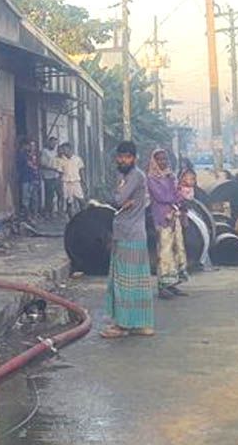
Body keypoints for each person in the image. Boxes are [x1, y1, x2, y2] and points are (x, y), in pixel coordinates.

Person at [101, 141, 155, 339]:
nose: (122, 160)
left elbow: (117, 199)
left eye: (127, 157)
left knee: (124, 283)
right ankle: (141, 324)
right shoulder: (128, 176)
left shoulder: (134, 176)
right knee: (137, 282)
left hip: (128, 236)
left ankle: (122, 325)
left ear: (134, 158)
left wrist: (120, 196)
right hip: (131, 234)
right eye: (120, 156)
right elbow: (122, 200)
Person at [147, 149, 189, 298]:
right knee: (164, 251)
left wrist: (180, 199)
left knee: (177, 248)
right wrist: (176, 198)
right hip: (162, 217)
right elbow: (162, 196)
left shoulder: (170, 176)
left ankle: (174, 283)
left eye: (165, 159)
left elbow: (179, 193)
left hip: (174, 216)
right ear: (154, 161)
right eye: (159, 159)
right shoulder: (152, 179)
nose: (163, 162)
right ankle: (163, 285)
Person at [59, 142, 85, 217]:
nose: (64, 151)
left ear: (70, 149)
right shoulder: (61, 160)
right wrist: (60, 185)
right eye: (63, 149)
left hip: (76, 182)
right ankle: (71, 219)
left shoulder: (77, 159)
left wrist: (83, 181)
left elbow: (81, 170)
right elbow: (60, 173)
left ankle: (84, 216)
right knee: (68, 202)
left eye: (65, 149)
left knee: (81, 200)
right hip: (66, 182)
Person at [16, 139, 40, 218]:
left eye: (34, 146)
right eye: (30, 145)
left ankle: (35, 214)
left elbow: (37, 167)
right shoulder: (22, 155)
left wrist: (37, 178)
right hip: (25, 178)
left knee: (34, 197)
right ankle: (27, 215)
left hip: (33, 178)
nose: (32, 147)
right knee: (26, 198)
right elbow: (27, 165)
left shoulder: (35, 156)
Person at [40, 136, 62, 217]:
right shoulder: (44, 152)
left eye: (55, 143)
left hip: (56, 176)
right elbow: (42, 164)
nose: (54, 145)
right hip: (48, 177)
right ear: (49, 142)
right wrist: (53, 168)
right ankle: (48, 212)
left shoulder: (56, 152)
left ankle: (58, 211)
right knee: (49, 195)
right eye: (52, 143)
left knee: (60, 194)